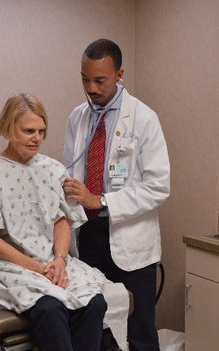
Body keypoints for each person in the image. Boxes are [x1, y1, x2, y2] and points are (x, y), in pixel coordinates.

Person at [0, 94, 109, 351]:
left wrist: (59, 260)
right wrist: (35, 267)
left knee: (95, 303)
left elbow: (61, 220)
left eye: (42, 131)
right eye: (29, 131)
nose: (37, 138)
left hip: (50, 261)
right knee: (50, 307)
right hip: (6, 264)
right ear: (8, 127)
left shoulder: (53, 169)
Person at [63, 39, 170, 351]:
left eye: (100, 80)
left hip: (129, 237)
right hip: (88, 235)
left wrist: (102, 200)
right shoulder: (77, 117)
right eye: (85, 79)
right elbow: (72, 173)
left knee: (139, 331)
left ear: (119, 74)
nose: (91, 88)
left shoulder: (144, 118)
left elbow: (159, 186)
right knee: (95, 323)